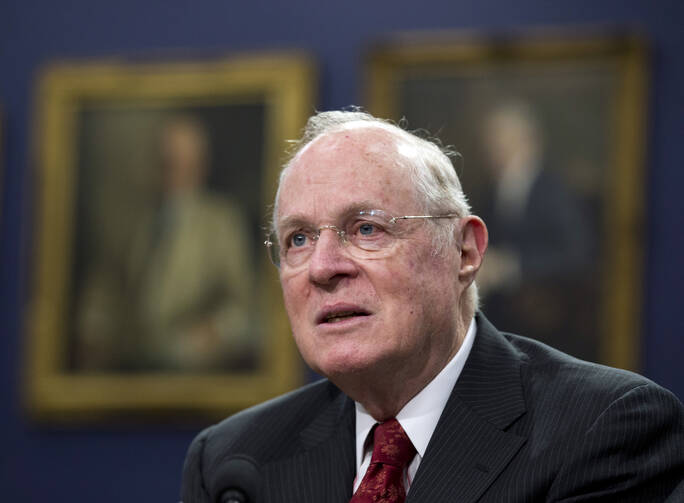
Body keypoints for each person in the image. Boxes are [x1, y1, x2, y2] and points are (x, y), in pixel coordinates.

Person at [181, 110, 683, 502]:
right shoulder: (231, 461)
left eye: (367, 228)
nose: (322, 267)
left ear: (464, 252)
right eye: (298, 239)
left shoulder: (605, 430)